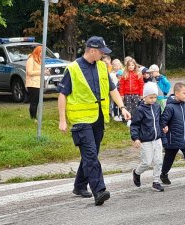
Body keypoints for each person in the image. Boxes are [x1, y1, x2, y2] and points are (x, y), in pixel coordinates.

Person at [57, 36, 131, 206]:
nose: (104, 55)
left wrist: (122, 108)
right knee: (90, 155)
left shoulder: (102, 66)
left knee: (91, 154)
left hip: (98, 117)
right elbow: (62, 95)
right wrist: (62, 120)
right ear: (92, 50)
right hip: (81, 120)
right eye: (101, 52)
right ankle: (99, 191)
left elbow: (112, 89)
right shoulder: (73, 68)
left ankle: (79, 185)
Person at [130, 82, 165, 192]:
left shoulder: (157, 107)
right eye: (151, 97)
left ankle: (156, 182)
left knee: (159, 161)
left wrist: (163, 127)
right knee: (147, 162)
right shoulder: (139, 110)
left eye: (155, 97)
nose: (153, 100)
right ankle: (136, 172)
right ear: (144, 96)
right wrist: (136, 138)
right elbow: (134, 125)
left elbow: (159, 120)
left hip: (157, 139)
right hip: (145, 140)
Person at [25, 46, 50, 120]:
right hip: (32, 84)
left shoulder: (39, 60)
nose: (42, 54)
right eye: (41, 52)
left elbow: (39, 71)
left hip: (38, 84)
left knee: (37, 101)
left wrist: (46, 72)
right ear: (37, 51)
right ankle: (33, 118)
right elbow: (30, 72)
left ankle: (35, 117)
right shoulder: (31, 59)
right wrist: (42, 72)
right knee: (34, 102)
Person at [119, 58, 144, 126]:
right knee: (128, 106)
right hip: (127, 94)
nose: (131, 66)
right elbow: (121, 85)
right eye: (129, 65)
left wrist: (141, 94)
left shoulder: (138, 74)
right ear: (127, 66)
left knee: (136, 107)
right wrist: (122, 94)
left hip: (136, 94)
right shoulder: (124, 74)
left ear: (135, 66)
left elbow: (141, 85)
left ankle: (135, 119)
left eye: (132, 65)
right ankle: (128, 120)